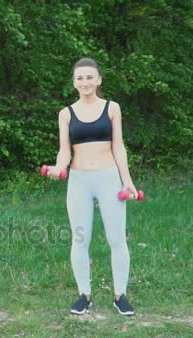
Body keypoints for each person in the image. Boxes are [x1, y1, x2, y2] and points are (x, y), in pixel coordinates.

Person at [46, 57, 138, 316]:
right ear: (74, 82)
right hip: (79, 181)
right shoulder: (66, 114)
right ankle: (84, 294)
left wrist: (127, 179)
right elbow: (65, 151)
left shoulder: (112, 108)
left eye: (89, 77)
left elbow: (118, 146)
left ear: (98, 80)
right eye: (80, 78)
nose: (85, 82)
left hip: (109, 179)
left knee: (116, 238)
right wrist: (59, 168)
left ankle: (120, 295)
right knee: (80, 238)